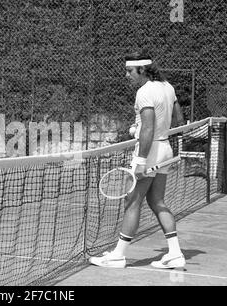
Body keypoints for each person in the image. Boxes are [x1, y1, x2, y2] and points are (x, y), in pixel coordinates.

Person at [89, 51, 186, 269]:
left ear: (142, 70)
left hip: (149, 153)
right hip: (165, 149)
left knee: (132, 201)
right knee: (157, 201)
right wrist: (140, 129)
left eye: (130, 71)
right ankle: (175, 253)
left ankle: (118, 256)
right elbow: (177, 119)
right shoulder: (168, 87)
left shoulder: (144, 92)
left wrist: (141, 159)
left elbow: (149, 127)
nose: (127, 75)